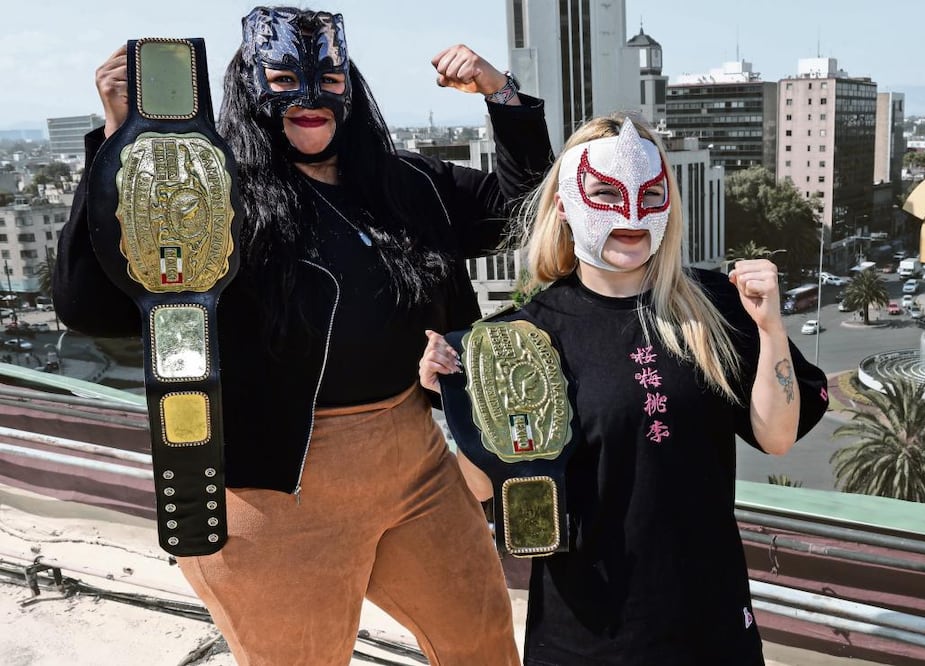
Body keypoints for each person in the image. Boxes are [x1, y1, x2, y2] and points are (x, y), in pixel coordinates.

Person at [53, 7, 552, 666]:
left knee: (484, 644)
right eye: (285, 76)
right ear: (250, 87)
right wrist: (120, 137)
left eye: (331, 79)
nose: (311, 97)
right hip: (274, 488)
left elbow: (524, 212)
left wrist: (502, 95)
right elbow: (91, 307)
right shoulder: (213, 194)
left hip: (415, 461)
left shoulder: (406, 184)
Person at [421, 115, 828, 665]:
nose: (632, 214)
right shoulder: (515, 338)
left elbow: (777, 437)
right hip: (583, 638)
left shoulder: (713, 306)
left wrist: (771, 329)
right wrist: (457, 402)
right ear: (565, 205)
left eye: (651, 193)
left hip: (710, 627)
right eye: (607, 193)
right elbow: (481, 489)